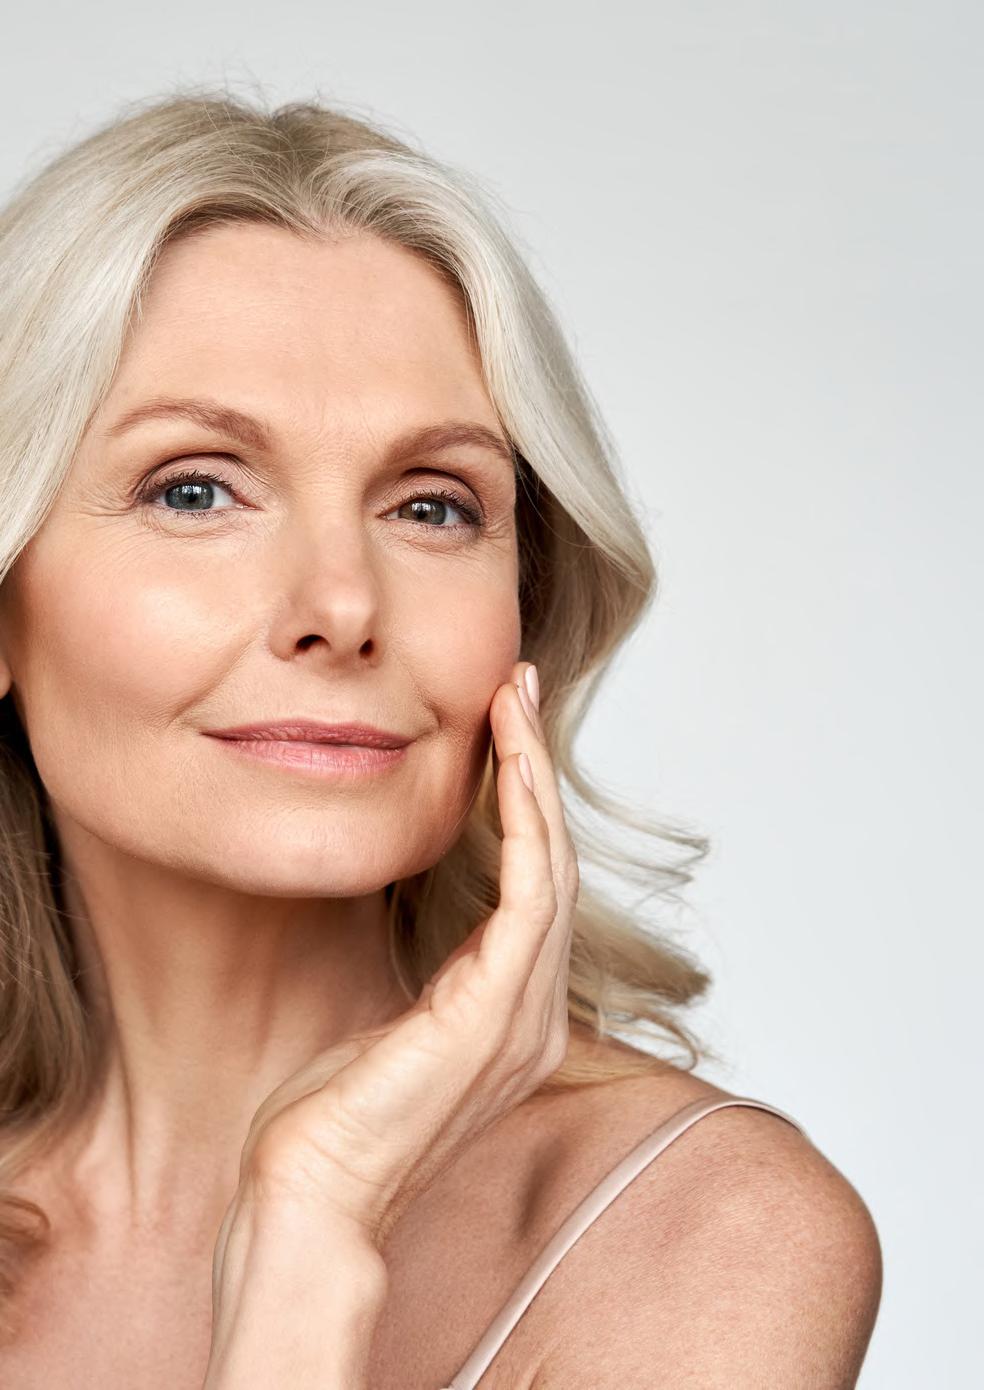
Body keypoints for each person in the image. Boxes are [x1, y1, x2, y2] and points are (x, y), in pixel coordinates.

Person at [0, 88, 881, 1387]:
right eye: (195, 489)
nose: (343, 605)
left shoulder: (702, 1233)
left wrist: (314, 1222)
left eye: (431, 507)